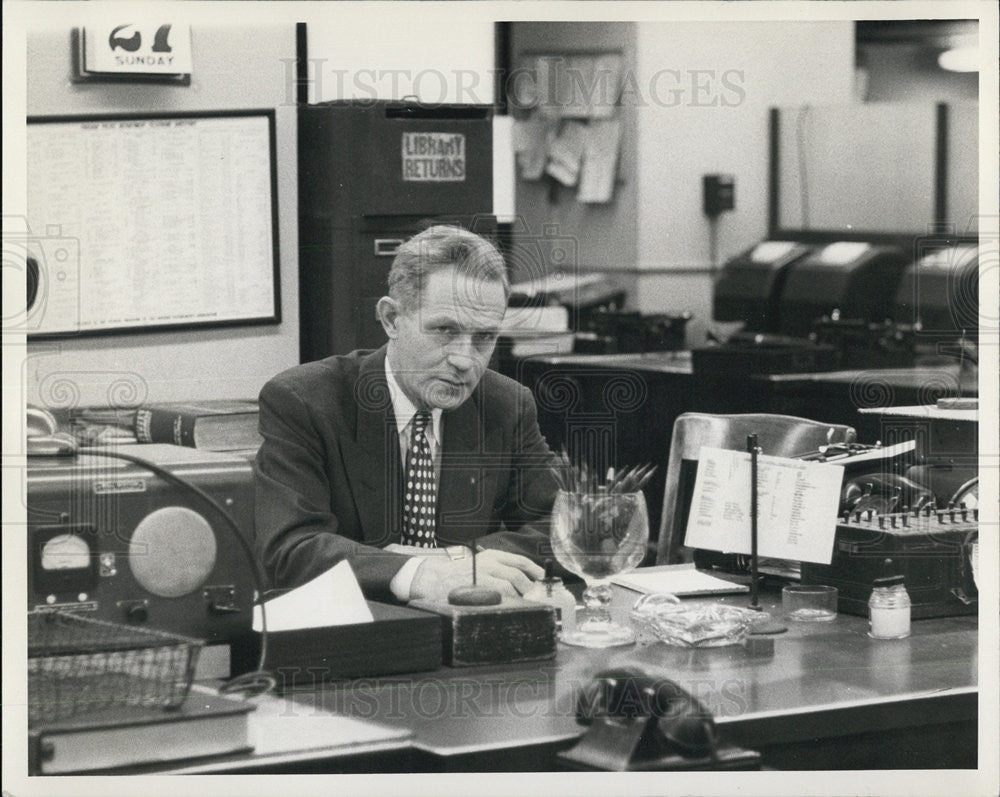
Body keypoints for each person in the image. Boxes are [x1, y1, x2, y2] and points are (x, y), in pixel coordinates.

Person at [254, 225, 560, 604]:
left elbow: (560, 529)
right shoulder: (304, 401)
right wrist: (418, 573)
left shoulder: (506, 404)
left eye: (484, 338)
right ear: (391, 319)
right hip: (356, 635)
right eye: (445, 330)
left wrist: (460, 562)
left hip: (468, 631)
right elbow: (291, 550)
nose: (465, 360)